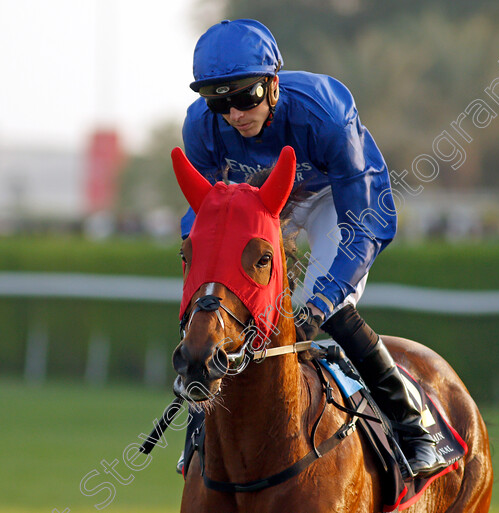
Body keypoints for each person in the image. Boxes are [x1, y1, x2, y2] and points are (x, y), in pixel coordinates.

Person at [178, 19, 443, 476]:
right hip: (261, 202)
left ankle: (415, 428)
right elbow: (203, 217)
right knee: (218, 306)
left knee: (324, 305)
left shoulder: (324, 113)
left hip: (334, 198)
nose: (235, 114)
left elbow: (366, 224)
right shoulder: (201, 128)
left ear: (272, 85)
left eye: (245, 97)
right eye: (218, 102)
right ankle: (200, 428)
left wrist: (322, 300)